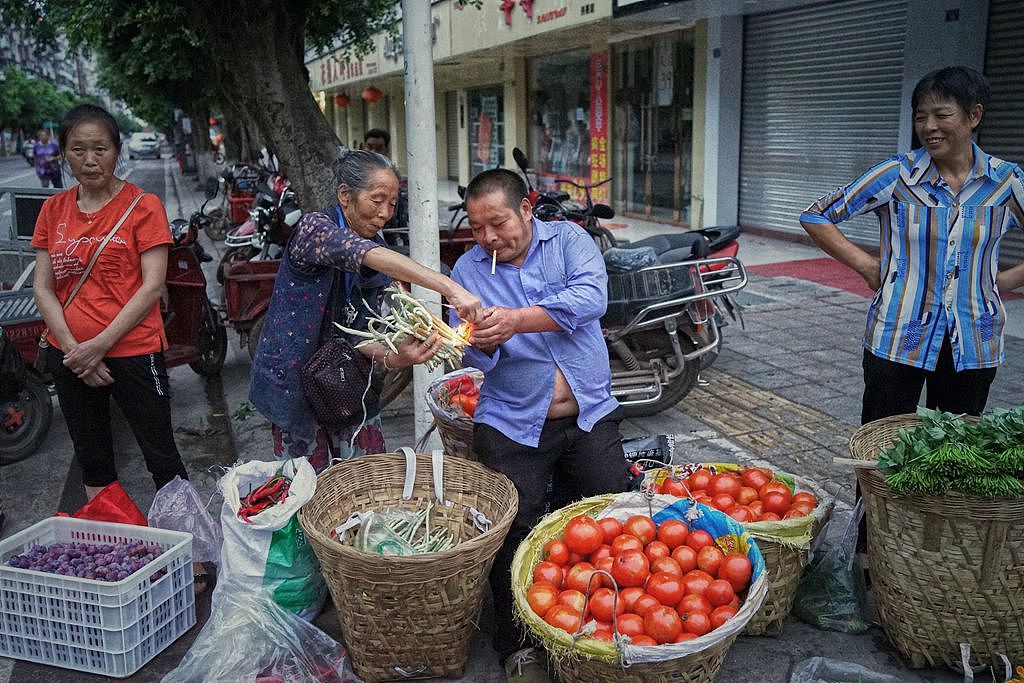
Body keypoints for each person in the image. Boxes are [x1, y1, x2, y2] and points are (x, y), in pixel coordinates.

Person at [450, 168, 630, 681]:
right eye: (476, 228)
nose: (488, 238)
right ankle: (517, 646)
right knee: (512, 533)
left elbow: (592, 298)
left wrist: (516, 319)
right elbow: (473, 359)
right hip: (510, 424)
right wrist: (481, 344)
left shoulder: (570, 240)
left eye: (498, 223)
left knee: (601, 522)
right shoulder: (466, 271)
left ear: (526, 209)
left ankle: (596, 628)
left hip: (590, 413)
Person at [29, 104, 208, 589]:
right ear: (64, 153)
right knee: (93, 458)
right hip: (70, 353)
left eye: (100, 148)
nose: (90, 159)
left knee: (160, 453)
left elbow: (151, 287)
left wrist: (100, 345)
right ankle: (120, 563)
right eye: (78, 149)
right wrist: (74, 349)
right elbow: (43, 288)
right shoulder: (54, 210)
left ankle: (190, 556)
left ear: (116, 150)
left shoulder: (142, 206)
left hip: (134, 349)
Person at [800, 66, 1024, 425]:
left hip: (972, 341)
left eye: (941, 114)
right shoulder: (897, 175)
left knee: (954, 451)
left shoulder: (1006, 182)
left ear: (974, 115)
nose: (929, 126)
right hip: (899, 334)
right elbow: (816, 215)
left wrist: (1005, 281)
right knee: (881, 447)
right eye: (921, 117)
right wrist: (867, 265)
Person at [249, 150, 481, 473]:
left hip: (345, 385)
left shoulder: (378, 249)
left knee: (367, 480)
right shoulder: (314, 230)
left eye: (392, 203)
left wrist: (398, 357)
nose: (386, 213)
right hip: (296, 385)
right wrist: (449, 287)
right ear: (345, 195)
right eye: (377, 200)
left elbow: (359, 335)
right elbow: (363, 254)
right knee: (307, 494)